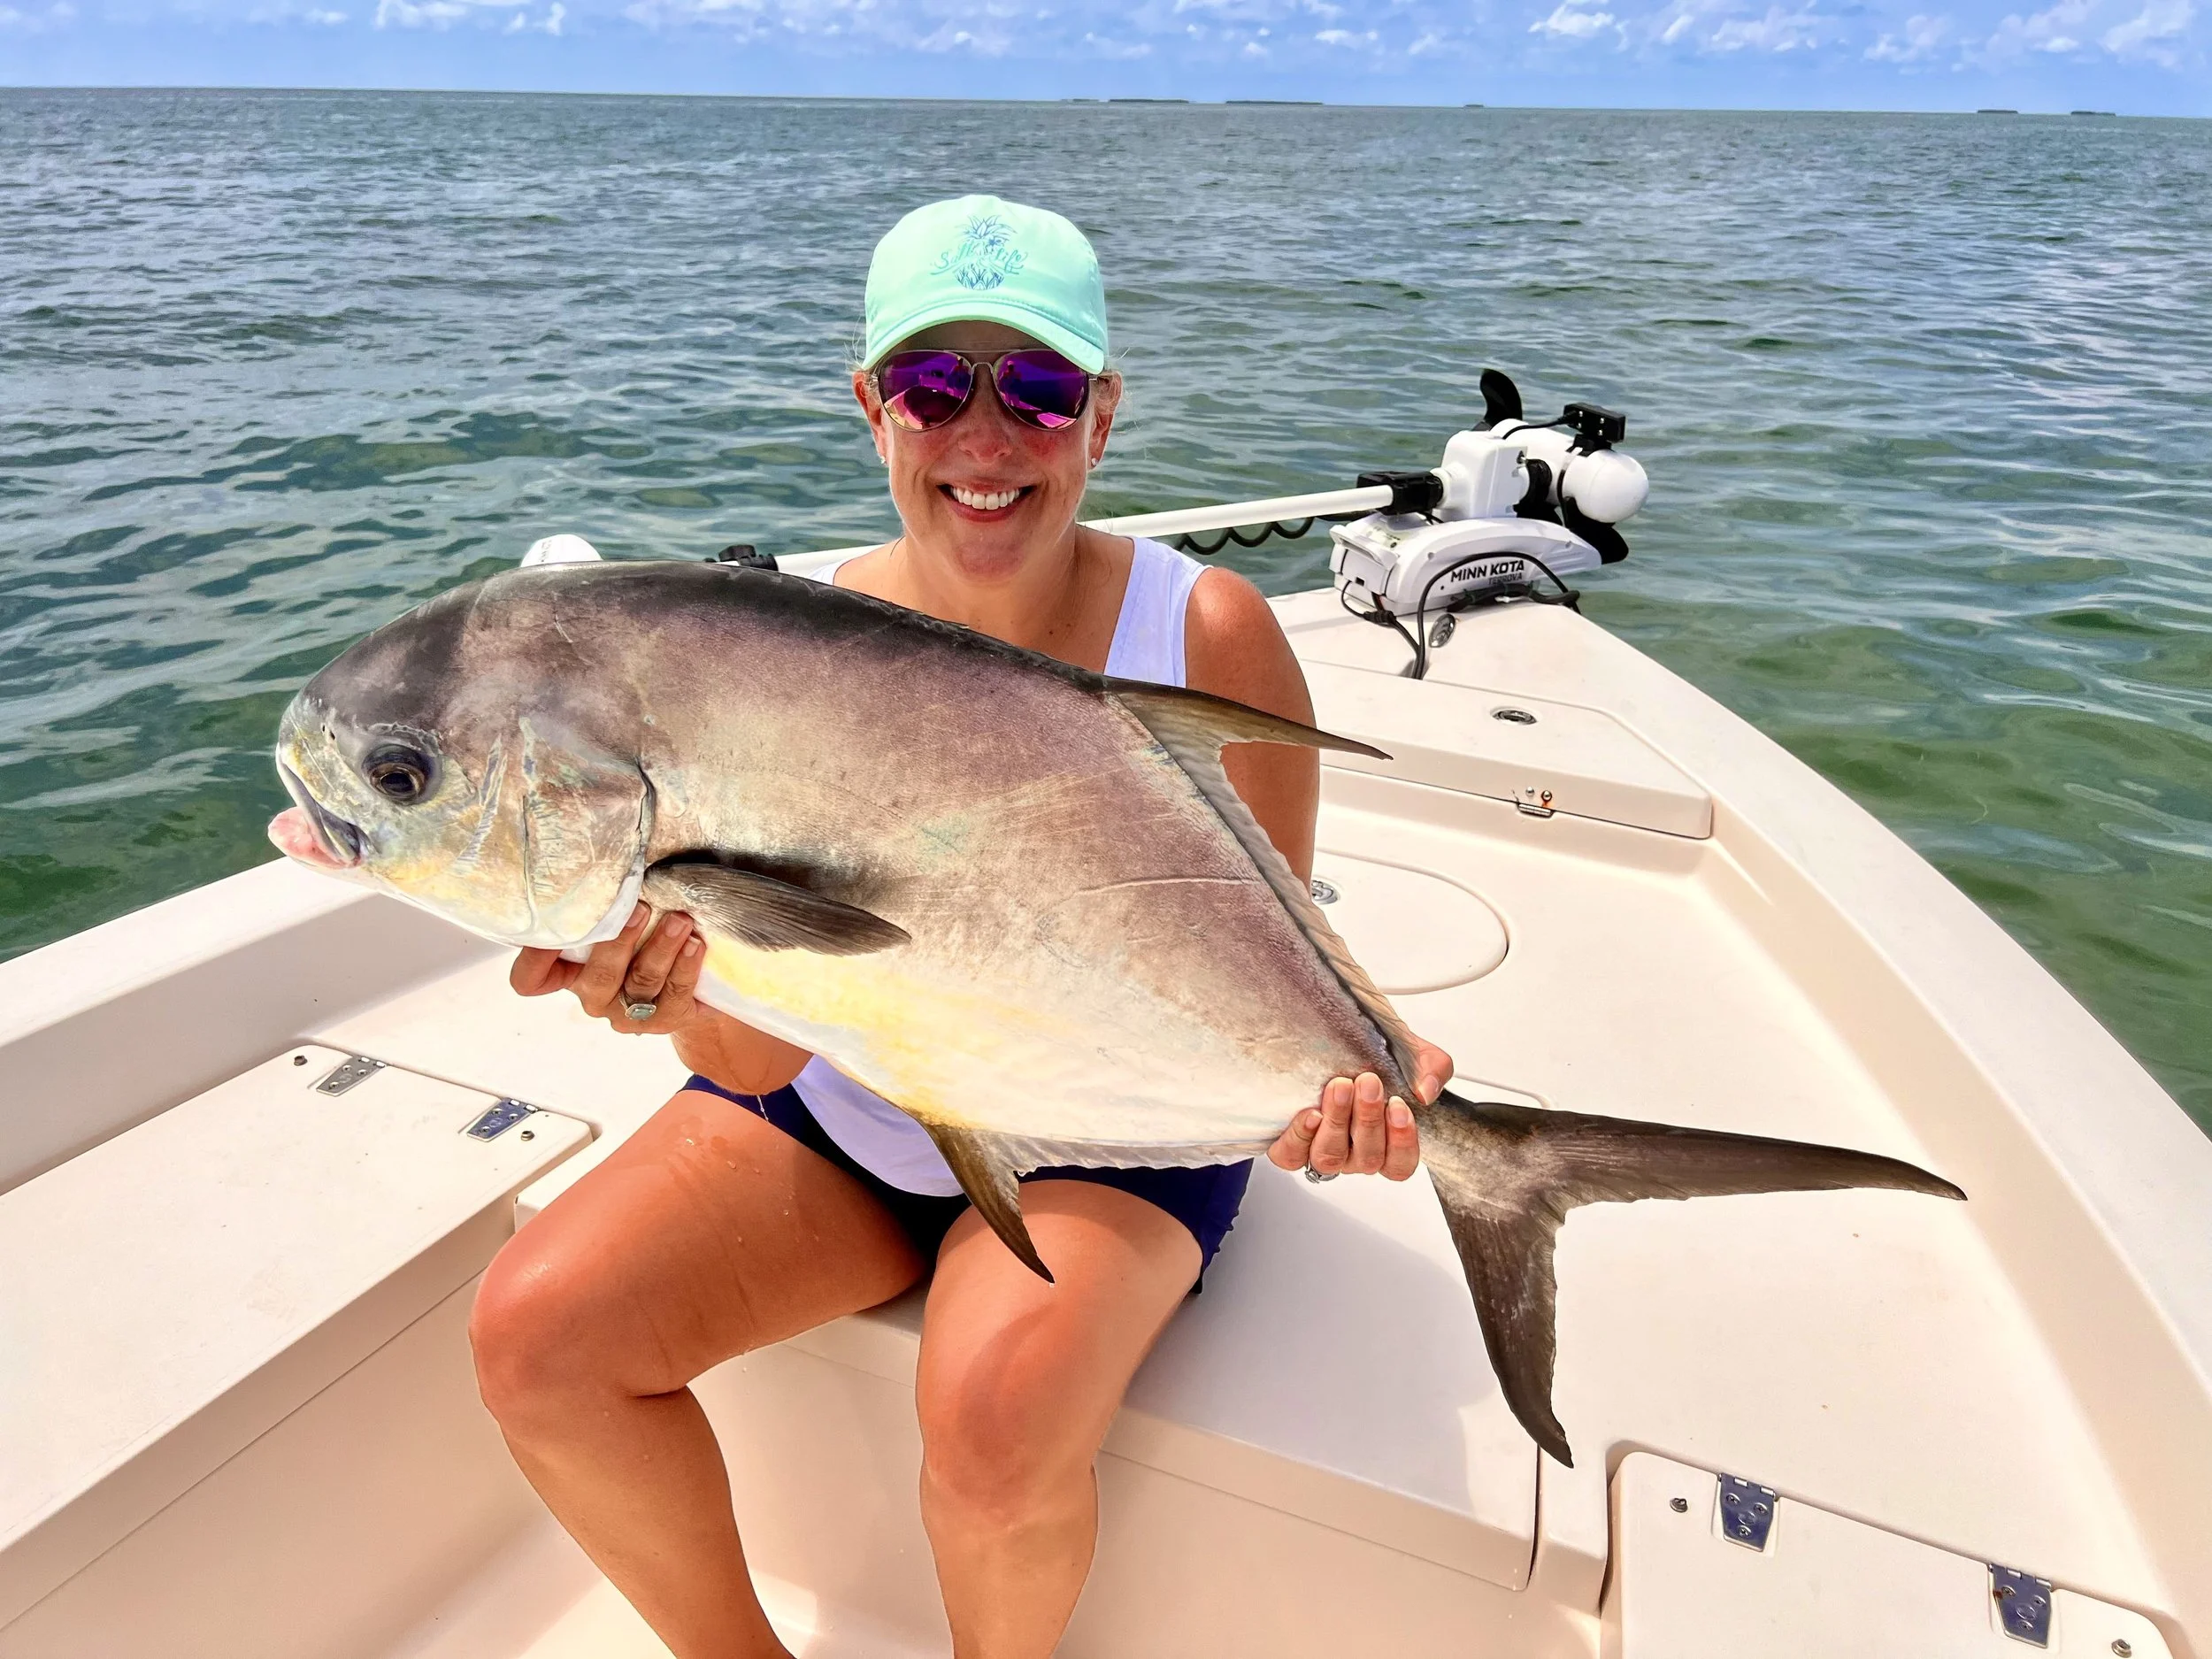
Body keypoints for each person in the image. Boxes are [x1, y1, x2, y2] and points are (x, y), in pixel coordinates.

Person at [468, 195, 1455, 1659]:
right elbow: (760, 1052)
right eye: (936, 387)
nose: (986, 438)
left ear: (1103, 418)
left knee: (992, 1412)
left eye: (1039, 389)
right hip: (863, 1098)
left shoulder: (1208, 631)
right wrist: (669, 999)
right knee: (535, 1332)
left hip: (1115, 1128)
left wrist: (1340, 1081)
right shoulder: (782, 648)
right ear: (874, 408)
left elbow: (1266, 954)